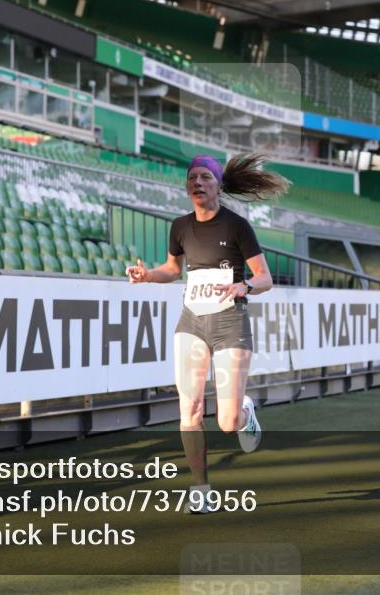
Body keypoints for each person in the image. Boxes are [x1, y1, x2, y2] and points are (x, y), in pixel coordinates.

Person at [125, 153, 289, 513]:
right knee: (191, 409)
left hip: (230, 322)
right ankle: (201, 489)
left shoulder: (237, 226)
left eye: (205, 178)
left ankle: (246, 412)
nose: (197, 183)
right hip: (192, 323)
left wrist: (245, 287)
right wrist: (148, 275)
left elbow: (265, 278)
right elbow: (172, 268)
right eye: (192, 178)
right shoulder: (180, 226)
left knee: (227, 422)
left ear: (218, 186)